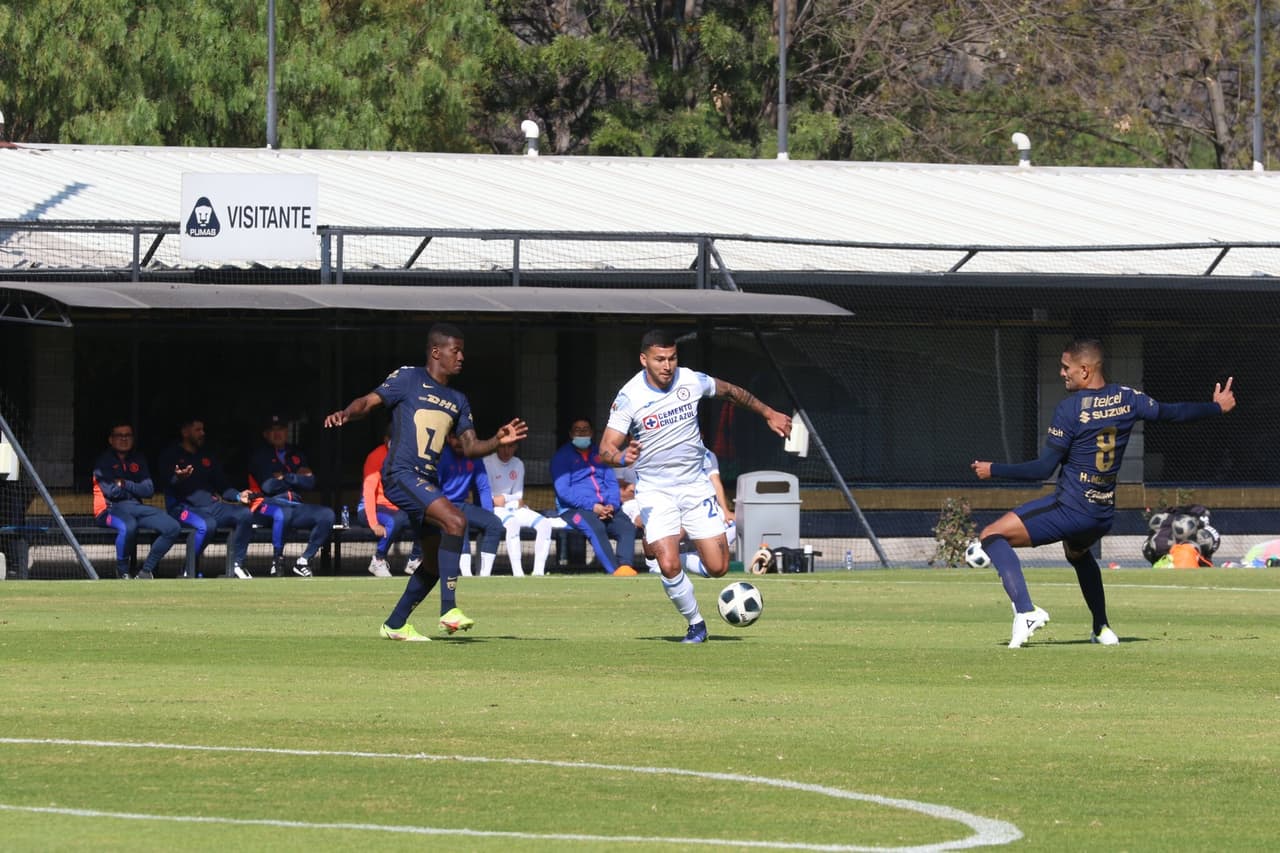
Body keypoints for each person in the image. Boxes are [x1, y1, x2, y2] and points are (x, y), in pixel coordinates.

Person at [971, 338, 1236, 648]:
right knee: (1078, 553)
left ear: (1084, 370)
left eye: (1066, 367)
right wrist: (1216, 407)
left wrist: (995, 469)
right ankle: (1102, 628)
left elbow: (1043, 469)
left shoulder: (1071, 410)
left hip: (1070, 509)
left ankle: (1026, 611)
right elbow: (1172, 412)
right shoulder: (1129, 399)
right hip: (1101, 515)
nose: (1061, 373)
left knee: (991, 536)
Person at [324, 323, 526, 641]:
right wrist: (347, 413)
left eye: (462, 350)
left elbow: (471, 447)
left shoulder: (458, 399)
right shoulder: (408, 378)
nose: (461, 356)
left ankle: (395, 624)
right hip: (401, 474)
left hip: (427, 480)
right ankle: (449, 611)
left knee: (432, 563)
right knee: (456, 520)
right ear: (436, 352)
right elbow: (367, 401)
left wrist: (497, 441)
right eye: (455, 350)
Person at [599, 329, 791, 643]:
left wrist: (768, 413)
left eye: (672, 358)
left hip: (695, 485)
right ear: (643, 359)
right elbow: (605, 448)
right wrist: (621, 457)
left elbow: (730, 392)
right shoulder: (629, 397)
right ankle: (695, 623)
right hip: (655, 491)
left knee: (718, 568)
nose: (667, 365)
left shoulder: (690, 380)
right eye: (660, 359)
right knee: (669, 562)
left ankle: (659, 560)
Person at [157, 417, 254, 579]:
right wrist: (178, 478)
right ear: (185, 432)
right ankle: (188, 569)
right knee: (207, 525)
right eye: (198, 430)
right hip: (183, 509)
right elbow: (166, 482)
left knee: (245, 514)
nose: (202, 433)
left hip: (212, 507)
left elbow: (223, 486)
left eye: (203, 429)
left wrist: (238, 495)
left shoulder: (207, 456)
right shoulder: (170, 454)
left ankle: (237, 565)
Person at [91, 421, 183, 579]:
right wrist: (134, 489)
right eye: (119, 435)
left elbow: (148, 490)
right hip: (109, 510)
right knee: (129, 526)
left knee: (172, 527)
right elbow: (112, 493)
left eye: (128, 435)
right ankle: (122, 571)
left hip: (136, 508)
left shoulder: (138, 459)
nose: (124, 439)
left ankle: (146, 571)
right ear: (111, 440)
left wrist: (125, 483)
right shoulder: (103, 462)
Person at [247, 414, 334, 578]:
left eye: (281, 429)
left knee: (326, 515)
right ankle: (277, 560)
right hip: (266, 506)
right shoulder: (260, 455)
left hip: (295, 505)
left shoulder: (296, 454)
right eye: (273, 430)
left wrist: (286, 477)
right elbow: (269, 486)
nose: (278, 433)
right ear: (265, 434)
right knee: (282, 513)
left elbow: (310, 482)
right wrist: (297, 477)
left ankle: (304, 561)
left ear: (287, 432)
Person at [551, 417, 636, 575]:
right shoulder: (561, 457)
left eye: (585, 429)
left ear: (591, 432)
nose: (582, 433)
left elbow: (611, 483)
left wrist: (612, 505)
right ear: (570, 434)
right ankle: (615, 571)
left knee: (627, 527)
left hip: (606, 507)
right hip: (573, 510)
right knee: (595, 528)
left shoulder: (601, 454)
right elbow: (563, 491)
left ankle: (626, 567)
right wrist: (593, 506)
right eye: (577, 429)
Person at [483, 442, 558, 577]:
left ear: (516, 447)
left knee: (545, 524)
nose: (506, 450)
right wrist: (507, 500)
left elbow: (519, 497)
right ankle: (518, 573)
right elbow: (491, 498)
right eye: (503, 446)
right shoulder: (487, 463)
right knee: (512, 523)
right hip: (494, 509)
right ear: (496, 446)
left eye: (510, 446)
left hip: (513, 507)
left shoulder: (518, 464)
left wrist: (505, 498)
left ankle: (538, 572)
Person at [358, 431, 423, 578]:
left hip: (398, 508)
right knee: (395, 520)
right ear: (386, 439)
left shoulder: (407, 455)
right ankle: (378, 560)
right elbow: (368, 492)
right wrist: (374, 523)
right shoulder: (376, 456)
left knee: (425, 517)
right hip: (372, 509)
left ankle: (414, 560)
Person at [439, 432, 505, 577]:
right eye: (456, 439)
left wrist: (488, 513)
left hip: (462, 505)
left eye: (463, 439)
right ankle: (466, 574)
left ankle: (484, 575)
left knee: (494, 524)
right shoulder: (440, 457)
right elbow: (434, 488)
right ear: (449, 438)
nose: (459, 443)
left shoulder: (474, 457)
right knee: (460, 522)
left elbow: (483, 487)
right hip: (442, 506)